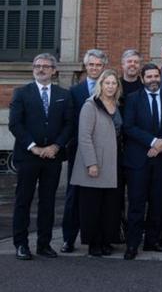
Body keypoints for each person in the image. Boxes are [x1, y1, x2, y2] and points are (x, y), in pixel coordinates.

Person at [10, 53, 74, 260]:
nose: (41, 69)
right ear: (33, 69)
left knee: (48, 202)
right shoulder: (21, 93)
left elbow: (69, 124)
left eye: (46, 66)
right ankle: (21, 244)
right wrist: (33, 147)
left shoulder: (63, 94)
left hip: (53, 157)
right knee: (23, 201)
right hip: (28, 156)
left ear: (54, 71)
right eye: (37, 66)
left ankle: (44, 244)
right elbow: (15, 124)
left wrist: (56, 146)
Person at [121, 63, 162, 260]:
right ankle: (132, 244)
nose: (153, 79)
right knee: (137, 204)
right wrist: (152, 142)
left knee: (158, 203)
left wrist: (161, 143)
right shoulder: (132, 99)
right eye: (149, 76)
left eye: (156, 76)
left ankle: (152, 241)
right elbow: (128, 127)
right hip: (139, 159)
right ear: (142, 78)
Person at [70, 69, 122, 258]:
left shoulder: (117, 104)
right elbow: (84, 137)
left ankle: (107, 240)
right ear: (101, 85)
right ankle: (94, 243)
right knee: (92, 206)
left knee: (109, 206)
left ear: (117, 86)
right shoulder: (90, 105)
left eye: (113, 83)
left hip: (113, 162)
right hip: (95, 163)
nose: (110, 86)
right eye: (107, 83)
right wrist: (91, 163)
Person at [61, 48, 108, 254]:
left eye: (98, 65)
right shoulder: (75, 91)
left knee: (100, 197)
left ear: (103, 67)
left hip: (105, 153)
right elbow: (70, 122)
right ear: (85, 67)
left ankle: (98, 238)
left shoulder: (111, 89)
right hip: (79, 151)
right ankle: (68, 238)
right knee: (74, 196)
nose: (94, 68)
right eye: (91, 65)